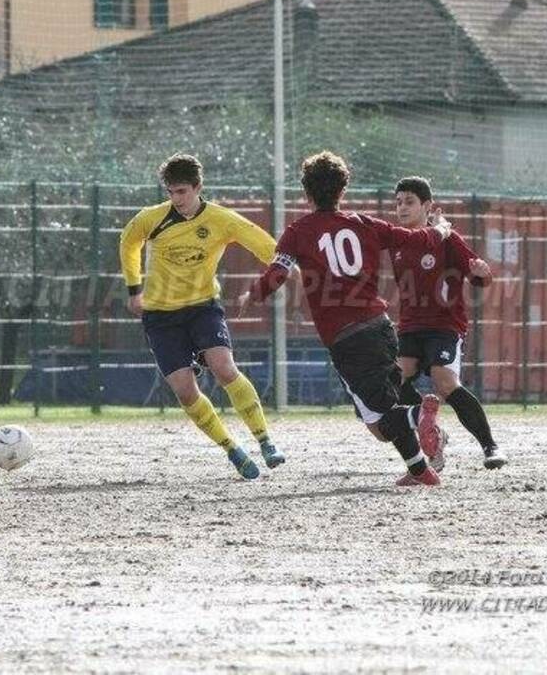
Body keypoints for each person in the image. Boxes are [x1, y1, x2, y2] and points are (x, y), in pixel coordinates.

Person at [240, 151, 449, 486]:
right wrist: (438, 230)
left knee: (382, 423)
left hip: (346, 338)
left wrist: (253, 294)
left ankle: (419, 416)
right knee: (383, 411)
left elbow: (278, 272)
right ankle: (420, 470)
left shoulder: (298, 231)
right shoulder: (365, 224)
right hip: (381, 327)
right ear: (343, 191)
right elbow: (413, 238)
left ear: (306, 194)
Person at [119, 153, 287, 480]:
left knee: (224, 368)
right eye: (170, 192)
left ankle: (265, 440)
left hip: (202, 308)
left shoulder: (223, 220)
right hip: (160, 316)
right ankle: (232, 449)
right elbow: (128, 242)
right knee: (185, 390)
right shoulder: (151, 218)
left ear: (198, 187)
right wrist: (133, 288)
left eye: (181, 191)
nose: (176, 199)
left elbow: (269, 248)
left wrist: (275, 276)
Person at [391, 176, 506, 470]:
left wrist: (482, 271)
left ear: (427, 206)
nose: (402, 208)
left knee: (444, 382)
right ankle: (432, 431)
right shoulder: (397, 242)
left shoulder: (447, 239)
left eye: (409, 202)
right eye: (399, 202)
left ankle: (490, 446)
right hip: (410, 326)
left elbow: (479, 277)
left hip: (444, 326)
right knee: (396, 380)